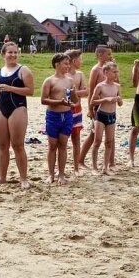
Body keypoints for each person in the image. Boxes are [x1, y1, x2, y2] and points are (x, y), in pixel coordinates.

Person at [0, 41, 34, 189]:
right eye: (10, 52)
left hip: (18, 108)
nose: (13, 55)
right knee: (2, 145)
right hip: (1, 108)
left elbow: (30, 91)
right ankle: (2, 177)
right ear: (3, 54)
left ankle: (23, 178)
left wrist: (10, 88)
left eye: (15, 52)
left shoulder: (23, 70)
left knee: (17, 145)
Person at [40, 53, 78, 185]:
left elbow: (74, 100)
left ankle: (61, 174)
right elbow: (43, 100)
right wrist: (59, 102)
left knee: (63, 145)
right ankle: (51, 174)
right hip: (53, 116)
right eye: (65, 63)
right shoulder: (49, 81)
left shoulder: (70, 80)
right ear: (57, 64)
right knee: (52, 146)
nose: (68, 66)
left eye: (69, 63)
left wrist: (73, 95)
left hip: (67, 115)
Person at [78, 45, 113, 167]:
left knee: (110, 135)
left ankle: (111, 162)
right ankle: (81, 159)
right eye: (108, 54)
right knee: (94, 135)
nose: (110, 56)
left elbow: (116, 84)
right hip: (97, 106)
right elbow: (91, 90)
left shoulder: (110, 69)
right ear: (100, 55)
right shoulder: (96, 70)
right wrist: (90, 108)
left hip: (109, 106)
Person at [90, 61, 124, 175]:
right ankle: (94, 168)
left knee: (109, 142)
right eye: (114, 72)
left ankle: (105, 167)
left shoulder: (117, 86)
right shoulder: (100, 86)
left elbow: (120, 103)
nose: (116, 74)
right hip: (101, 115)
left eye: (117, 72)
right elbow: (92, 102)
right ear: (106, 72)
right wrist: (105, 99)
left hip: (112, 115)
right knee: (97, 141)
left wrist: (119, 100)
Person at [64, 49, 89, 175]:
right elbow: (62, 94)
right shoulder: (63, 75)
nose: (81, 61)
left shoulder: (79, 75)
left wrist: (73, 92)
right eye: (80, 59)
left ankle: (76, 167)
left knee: (76, 138)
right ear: (74, 61)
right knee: (61, 140)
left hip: (77, 110)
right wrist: (74, 93)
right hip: (65, 109)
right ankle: (60, 168)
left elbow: (86, 91)